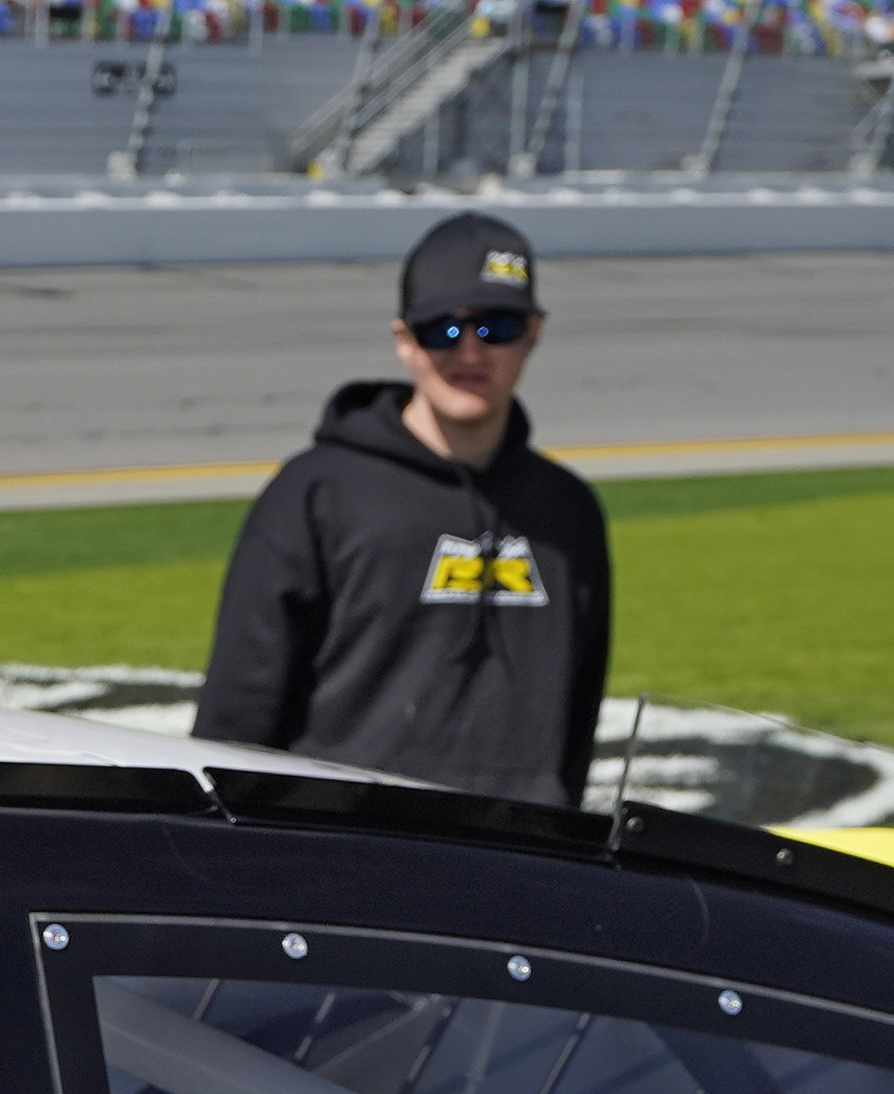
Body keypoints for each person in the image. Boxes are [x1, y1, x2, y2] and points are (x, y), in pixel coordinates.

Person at [195, 210, 613, 810]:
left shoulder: (569, 512)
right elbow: (237, 718)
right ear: (403, 339)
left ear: (535, 333)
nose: (471, 351)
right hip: (342, 860)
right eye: (442, 328)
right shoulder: (316, 493)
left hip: (517, 864)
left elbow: (576, 721)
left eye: (498, 325)